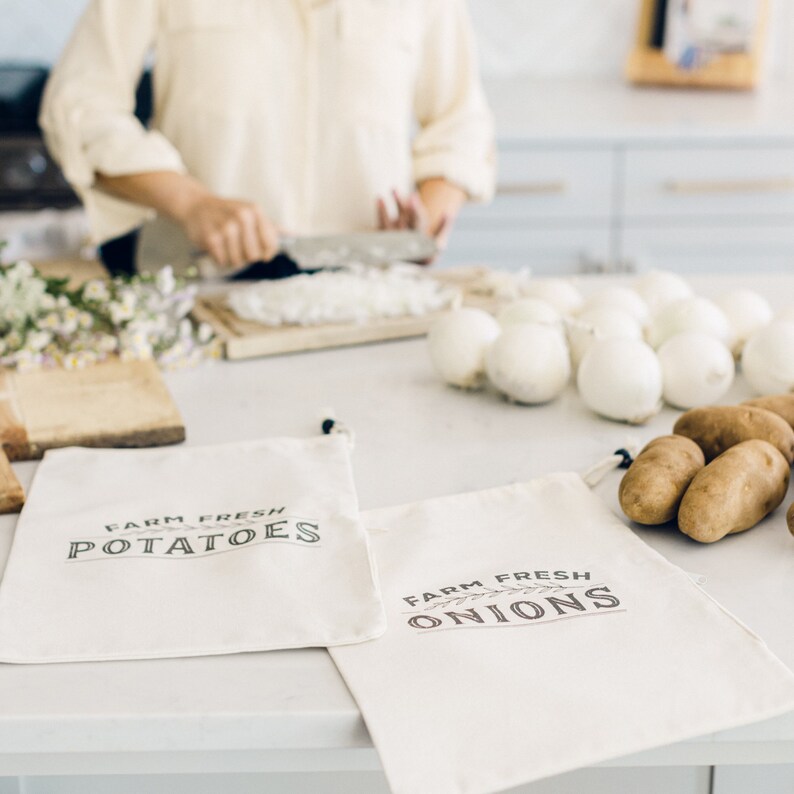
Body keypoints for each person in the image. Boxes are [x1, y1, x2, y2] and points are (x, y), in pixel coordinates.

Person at [40, 0, 496, 276]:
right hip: (197, 285)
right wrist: (192, 203)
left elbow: (460, 123)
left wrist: (425, 222)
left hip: (369, 292)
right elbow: (79, 105)